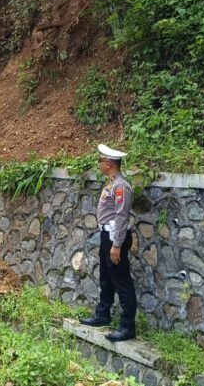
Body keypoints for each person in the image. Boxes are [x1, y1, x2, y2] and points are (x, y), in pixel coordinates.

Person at [80, 144, 137, 342]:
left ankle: (127, 326)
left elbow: (121, 216)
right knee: (106, 276)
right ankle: (102, 314)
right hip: (107, 236)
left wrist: (117, 244)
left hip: (115, 236)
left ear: (109, 163)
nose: (99, 164)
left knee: (122, 281)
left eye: (100, 161)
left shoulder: (121, 186)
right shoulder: (112, 183)